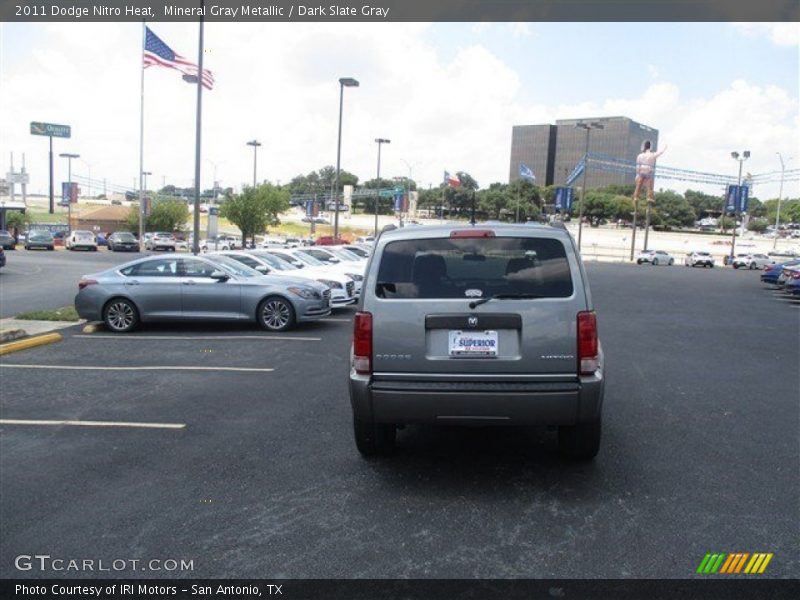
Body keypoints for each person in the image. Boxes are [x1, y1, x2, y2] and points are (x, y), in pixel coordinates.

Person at [633, 140, 667, 207]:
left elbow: (637, 165)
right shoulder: (652, 155)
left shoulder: (640, 155)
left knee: (638, 186)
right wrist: (664, 148)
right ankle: (649, 198)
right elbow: (660, 153)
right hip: (648, 171)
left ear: (644, 147)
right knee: (649, 187)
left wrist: (637, 174)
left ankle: (636, 197)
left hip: (641, 171)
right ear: (650, 147)